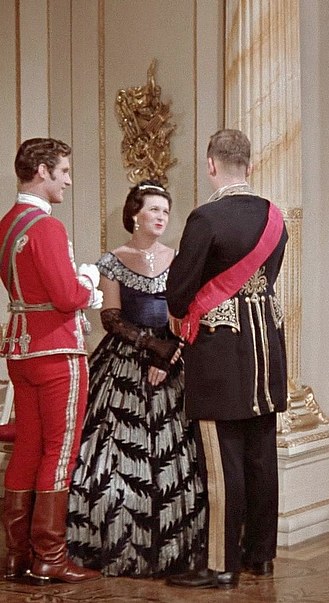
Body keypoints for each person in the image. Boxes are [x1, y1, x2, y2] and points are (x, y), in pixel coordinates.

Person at [164, 129, 289, 590]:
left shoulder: (206, 218)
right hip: (267, 348)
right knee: (261, 458)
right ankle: (261, 555)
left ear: (211, 165)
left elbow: (179, 293)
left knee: (224, 462)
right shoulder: (275, 216)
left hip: (222, 350)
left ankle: (221, 563)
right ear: (249, 166)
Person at [65, 180, 206, 577]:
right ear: (134, 215)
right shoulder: (113, 260)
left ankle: (175, 546)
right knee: (108, 453)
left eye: (165, 211)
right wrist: (149, 346)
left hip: (171, 358)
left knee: (180, 458)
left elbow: (188, 313)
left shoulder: (178, 259)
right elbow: (111, 318)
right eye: (153, 209)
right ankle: (117, 539)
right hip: (125, 360)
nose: (161, 217)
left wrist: (170, 352)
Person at [0, 138, 103, 584]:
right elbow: (65, 297)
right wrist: (90, 284)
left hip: (20, 350)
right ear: (42, 171)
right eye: (63, 171)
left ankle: (15, 555)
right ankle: (50, 557)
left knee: (27, 448)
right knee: (59, 452)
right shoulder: (47, 227)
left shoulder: (6, 225)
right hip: (58, 351)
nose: (68, 180)